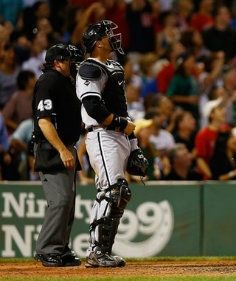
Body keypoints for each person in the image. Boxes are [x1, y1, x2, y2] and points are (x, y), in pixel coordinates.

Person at [76, 20, 137, 268]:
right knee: (111, 192)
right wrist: (121, 125)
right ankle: (96, 252)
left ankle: (104, 251)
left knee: (120, 193)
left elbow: (122, 108)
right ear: (98, 43)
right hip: (102, 133)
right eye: (107, 34)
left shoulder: (112, 66)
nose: (113, 37)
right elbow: (92, 106)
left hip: (118, 135)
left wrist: (134, 144)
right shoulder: (90, 68)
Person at [32, 43, 82, 267]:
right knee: (60, 201)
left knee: (68, 202)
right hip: (51, 147)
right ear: (58, 61)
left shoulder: (65, 82)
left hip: (65, 145)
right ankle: (48, 249)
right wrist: (62, 149)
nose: (74, 64)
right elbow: (44, 120)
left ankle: (61, 248)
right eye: (70, 59)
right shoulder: (49, 80)